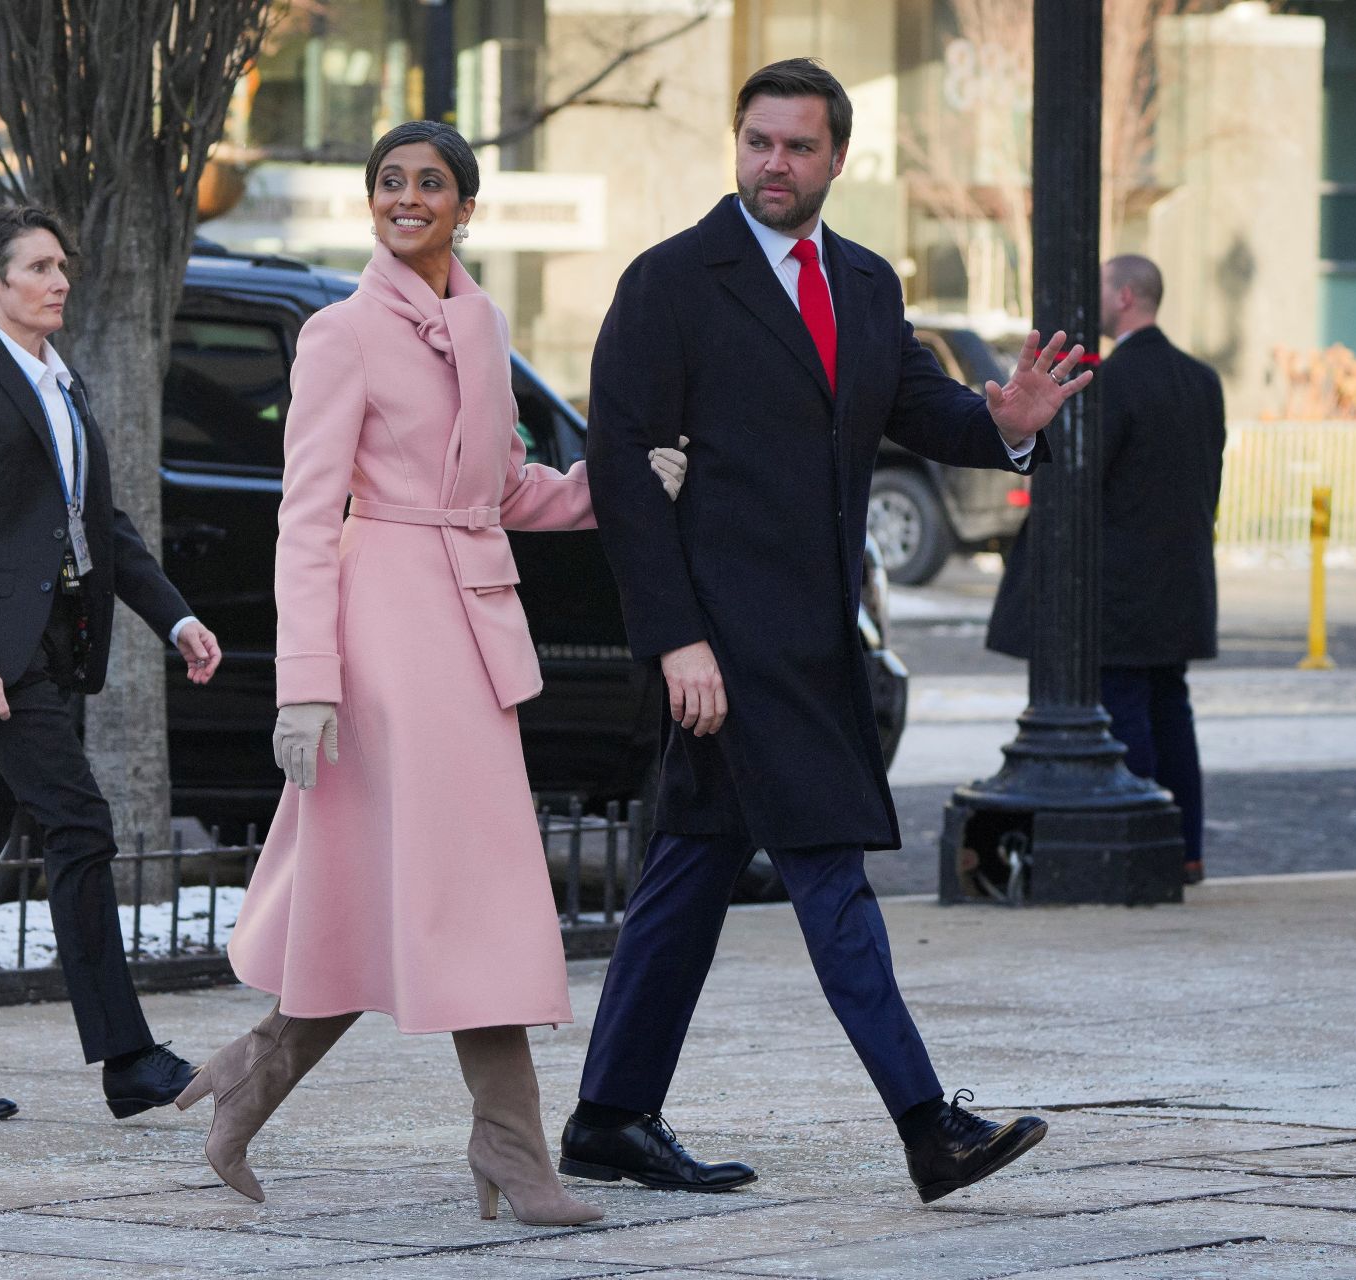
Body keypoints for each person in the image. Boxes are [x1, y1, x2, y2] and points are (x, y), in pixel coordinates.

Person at [566, 58, 1088, 1206]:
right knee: (828, 873)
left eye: (798, 146)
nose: (773, 164)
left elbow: (913, 400)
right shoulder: (669, 282)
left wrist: (1003, 424)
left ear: (837, 157)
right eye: (757, 141)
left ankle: (607, 1115)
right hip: (726, 645)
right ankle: (926, 1122)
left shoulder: (863, 279)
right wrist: (675, 640)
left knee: (690, 872)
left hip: (818, 634)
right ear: (736, 143)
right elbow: (620, 470)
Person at [188, 121, 688, 1227]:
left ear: (468, 206)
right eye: (389, 182)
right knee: (461, 892)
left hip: (470, 633)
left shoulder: (480, 321)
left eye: (431, 183)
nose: (406, 197)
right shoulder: (340, 333)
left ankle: (254, 1079)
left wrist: (615, 482)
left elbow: (502, 490)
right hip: (383, 640)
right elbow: (307, 519)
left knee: (412, 896)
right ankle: (510, 1150)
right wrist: (305, 680)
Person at [0, 205, 223, 1123]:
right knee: (80, 827)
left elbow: (98, 526)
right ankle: (127, 1058)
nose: (59, 280)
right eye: (37, 267)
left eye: (61, 265)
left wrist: (174, 618)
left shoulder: (63, 383)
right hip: (1, 663)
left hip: (50, 650)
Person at [987, 254, 1225, 886]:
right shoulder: (1203, 381)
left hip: (1117, 589)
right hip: (1182, 581)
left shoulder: (1111, 383)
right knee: (1171, 708)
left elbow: (1077, 485)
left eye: (1097, 291)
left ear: (1123, 298)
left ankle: (1142, 847)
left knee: (1124, 715)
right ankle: (1185, 847)